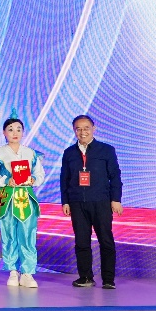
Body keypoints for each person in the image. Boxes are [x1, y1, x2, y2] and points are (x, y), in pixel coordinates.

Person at [61, 115, 123, 289]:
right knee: (82, 242)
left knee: (106, 240)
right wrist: (65, 201)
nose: (83, 132)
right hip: (77, 203)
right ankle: (86, 277)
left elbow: (115, 176)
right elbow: (64, 179)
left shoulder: (106, 150)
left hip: (101, 202)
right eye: (78, 129)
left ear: (93, 129)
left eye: (86, 128)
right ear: (74, 131)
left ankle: (108, 279)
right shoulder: (69, 153)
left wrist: (116, 199)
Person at [0, 117, 45, 288]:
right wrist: (5, 181)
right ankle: (12, 271)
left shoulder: (31, 153)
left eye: (18, 129)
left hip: (25, 198)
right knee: (8, 234)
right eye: (10, 129)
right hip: (6, 198)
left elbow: (40, 174)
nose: (14, 133)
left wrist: (33, 179)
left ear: (23, 132)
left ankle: (27, 273)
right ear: (4, 132)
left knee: (28, 234)